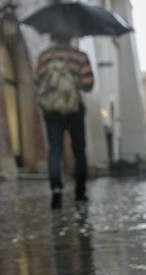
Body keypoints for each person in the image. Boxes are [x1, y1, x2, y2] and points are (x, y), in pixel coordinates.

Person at [36, 33, 94, 209]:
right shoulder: (80, 57)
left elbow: (37, 81)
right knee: (79, 150)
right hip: (74, 109)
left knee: (54, 149)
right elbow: (88, 84)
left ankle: (55, 190)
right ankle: (80, 192)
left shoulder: (45, 57)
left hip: (51, 109)